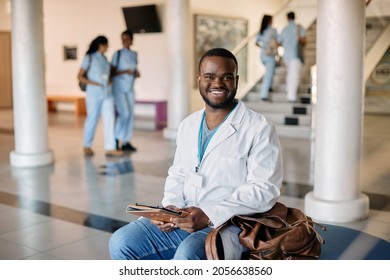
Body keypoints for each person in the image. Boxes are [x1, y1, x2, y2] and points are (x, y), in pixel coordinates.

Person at [109, 48, 283, 260]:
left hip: (231, 223)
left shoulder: (259, 128)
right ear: (199, 79)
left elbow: (264, 189)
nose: (217, 84)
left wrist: (209, 214)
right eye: (209, 76)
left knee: (189, 253)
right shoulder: (188, 125)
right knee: (122, 242)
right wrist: (170, 208)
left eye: (226, 77)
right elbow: (178, 174)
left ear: (236, 80)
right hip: (183, 217)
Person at [77, 35, 124, 157]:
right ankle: (87, 145)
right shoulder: (89, 58)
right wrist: (94, 83)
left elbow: (106, 74)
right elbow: (80, 76)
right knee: (92, 119)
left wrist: (108, 81)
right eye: (106, 44)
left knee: (110, 119)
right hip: (94, 94)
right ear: (101, 45)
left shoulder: (104, 59)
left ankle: (110, 147)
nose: (108, 46)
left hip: (107, 93)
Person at [111, 30, 140, 152]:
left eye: (127, 38)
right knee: (125, 113)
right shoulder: (117, 54)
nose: (125, 41)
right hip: (119, 88)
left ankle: (126, 141)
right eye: (123, 38)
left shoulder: (134, 54)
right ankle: (116, 138)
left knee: (130, 114)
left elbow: (134, 69)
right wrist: (125, 71)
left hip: (130, 88)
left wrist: (135, 73)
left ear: (132, 40)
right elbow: (112, 72)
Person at [279, 11, 307, 103]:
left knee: (290, 74)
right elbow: (304, 41)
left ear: (287, 18)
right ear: (294, 17)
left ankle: (290, 92)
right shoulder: (299, 27)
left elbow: (279, 42)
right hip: (296, 55)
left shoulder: (284, 29)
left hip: (287, 56)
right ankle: (292, 97)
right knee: (294, 75)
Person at [255, 14, 278, 101]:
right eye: (272, 20)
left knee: (270, 71)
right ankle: (264, 95)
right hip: (270, 54)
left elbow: (256, 43)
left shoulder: (261, 30)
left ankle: (270, 87)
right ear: (269, 21)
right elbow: (277, 42)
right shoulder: (273, 30)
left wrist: (264, 47)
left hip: (263, 54)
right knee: (269, 73)